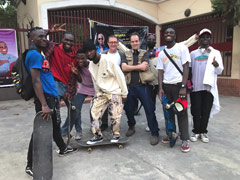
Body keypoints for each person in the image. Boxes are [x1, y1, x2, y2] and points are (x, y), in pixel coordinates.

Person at [24, 27, 77, 177]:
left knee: (54, 125)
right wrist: (44, 104)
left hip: (50, 97)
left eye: (44, 36)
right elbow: (36, 81)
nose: (44, 39)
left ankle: (62, 147)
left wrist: (49, 32)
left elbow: (44, 38)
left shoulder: (39, 53)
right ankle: (30, 164)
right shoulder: (34, 55)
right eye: (39, 37)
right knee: (40, 131)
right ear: (32, 40)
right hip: (45, 98)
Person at [83, 39, 128, 144]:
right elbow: (95, 81)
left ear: (95, 50)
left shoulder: (108, 60)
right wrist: (97, 94)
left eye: (91, 50)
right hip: (102, 93)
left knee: (115, 116)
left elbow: (120, 76)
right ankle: (97, 135)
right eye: (86, 52)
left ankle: (116, 134)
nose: (89, 53)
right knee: (94, 113)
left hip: (114, 91)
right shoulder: (90, 65)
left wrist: (124, 93)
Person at [121, 32, 159, 145]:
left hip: (143, 86)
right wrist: (137, 67)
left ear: (139, 42)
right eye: (132, 41)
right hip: (130, 87)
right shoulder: (125, 54)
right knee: (128, 109)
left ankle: (154, 132)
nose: (134, 43)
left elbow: (144, 67)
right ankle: (131, 126)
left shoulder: (145, 53)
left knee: (149, 109)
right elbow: (123, 68)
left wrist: (130, 67)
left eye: (136, 41)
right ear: (130, 42)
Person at [157, 27, 191, 152]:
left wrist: (183, 86)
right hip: (166, 87)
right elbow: (160, 72)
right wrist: (160, 88)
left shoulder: (182, 48)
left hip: (179, 86)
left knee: (181, 113)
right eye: (166, 33)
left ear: (175, 36)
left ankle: (185, 139)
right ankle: (171, 134)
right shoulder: (161, 53)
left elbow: (186, 67)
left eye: (171, 32)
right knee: (168, 113)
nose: (168, 34)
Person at [189, 28, 224, 143]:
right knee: (196, 111)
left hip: (208, 89)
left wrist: (216, 65)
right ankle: (196, 131)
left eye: (207, 37)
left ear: (210, 39)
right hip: (195, 88)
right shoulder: (193, 54)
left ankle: (203, 132)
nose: (205, 39)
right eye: (203, 37)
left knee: (205, 111)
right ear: (199, 39)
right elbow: (189, 70)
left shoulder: (215, 53)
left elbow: (220, 71)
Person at [63, 48, 95, 140]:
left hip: (94, 88)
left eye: (82, 58)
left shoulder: (92, 65)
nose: (80, 61)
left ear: (86, 57)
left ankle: (95, 128)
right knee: (76, 109)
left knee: (94, 110)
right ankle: (78, 131)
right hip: (83, 88)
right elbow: (80, 80)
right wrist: (77, 73)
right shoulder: (77, 66)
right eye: (78, 59)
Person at [100, 35, 126, 130]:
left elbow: (123, 69)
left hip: (117, 85)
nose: (113, 44)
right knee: (104, 105)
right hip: (105, 84)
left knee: (115, 107)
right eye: (111, 42)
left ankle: (114, 125)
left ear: (118, 43)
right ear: (108, 43)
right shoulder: (103, 54)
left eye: (115, 42)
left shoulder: (122, 54)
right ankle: (104, 123)